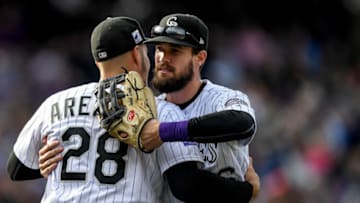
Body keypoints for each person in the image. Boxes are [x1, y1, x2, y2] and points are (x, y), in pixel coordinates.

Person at [7, 16, 259, 202]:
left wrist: (45, 165)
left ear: (97, 60)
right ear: (138, 56)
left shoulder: (55, 103)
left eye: (175, 51)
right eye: (156, 50)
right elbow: (187, 185)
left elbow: (16, 169)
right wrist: (247, 191)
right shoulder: (159, 111)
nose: (161, 58)